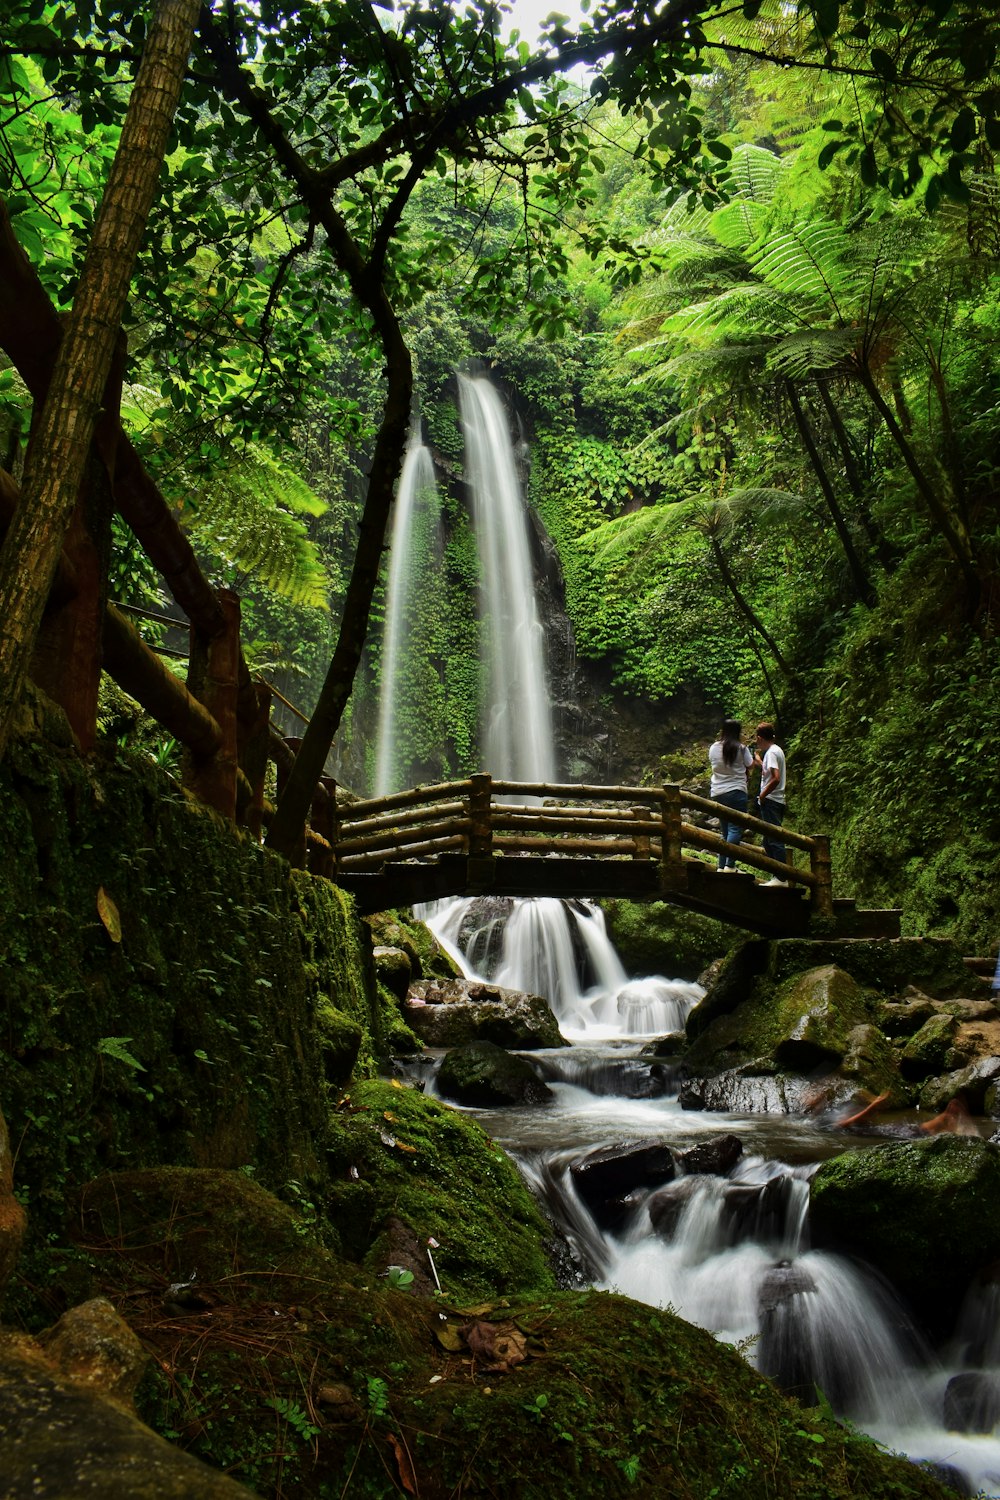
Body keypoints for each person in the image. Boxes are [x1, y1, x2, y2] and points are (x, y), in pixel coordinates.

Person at [708, 719, 753, 871]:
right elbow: (750, 764)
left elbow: (714, 763)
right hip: (736, 791)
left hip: (718, 792)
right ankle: (729, 865)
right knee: (735, 829)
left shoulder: (714, 747)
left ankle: (721, 866)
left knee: (725, 831)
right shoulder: (741, 748)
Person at [754, 722, 788, 887]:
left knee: (774, 839)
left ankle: (781, 878)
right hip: (776, 800)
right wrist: (760, 761)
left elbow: (775, 778)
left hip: (772, 800)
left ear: (760, 738)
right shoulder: (775, 751)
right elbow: (769, 773)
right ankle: (778, 875)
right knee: (768, 841)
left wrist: (762, 795)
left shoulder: (772, 753)